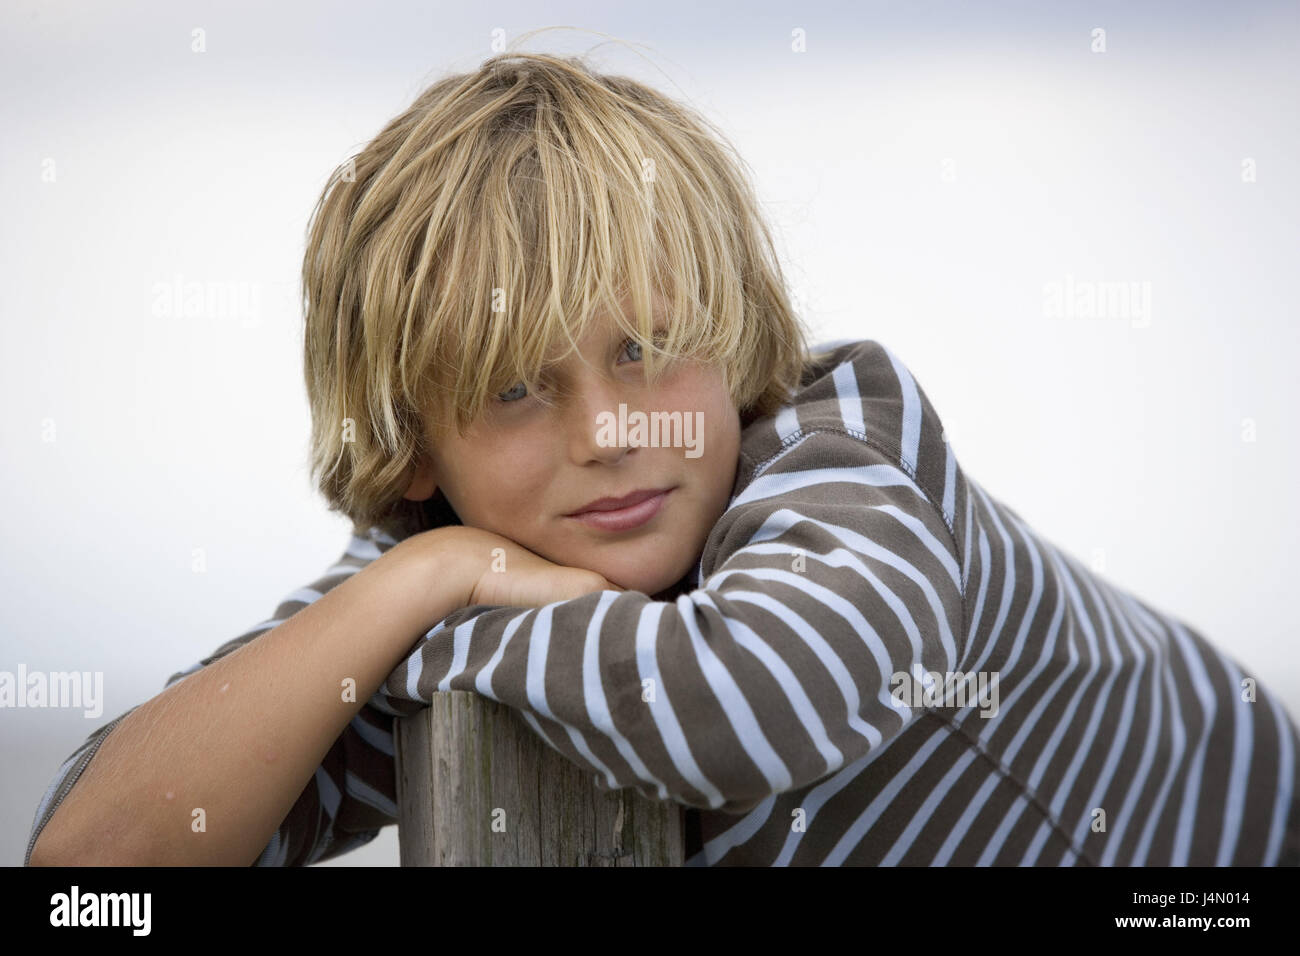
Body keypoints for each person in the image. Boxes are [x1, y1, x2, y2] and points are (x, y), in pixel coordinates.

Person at [27, 51, 1299, 867]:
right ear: (414, 448)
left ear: (734, 333)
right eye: (516, 387)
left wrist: (412, 637)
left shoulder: (844, 448)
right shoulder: (435, 570)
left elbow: (760, 698)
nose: (609, 431)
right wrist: (412, 587)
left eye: (652, 348)